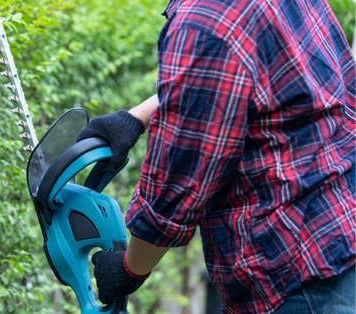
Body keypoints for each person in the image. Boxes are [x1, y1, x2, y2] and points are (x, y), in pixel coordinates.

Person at [76, 0, 355, 313]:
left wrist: (129, 269)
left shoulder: (206, 19)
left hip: (294, 280)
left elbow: (179, 186)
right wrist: (136, 117)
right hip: (340, 239)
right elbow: (251, 72)